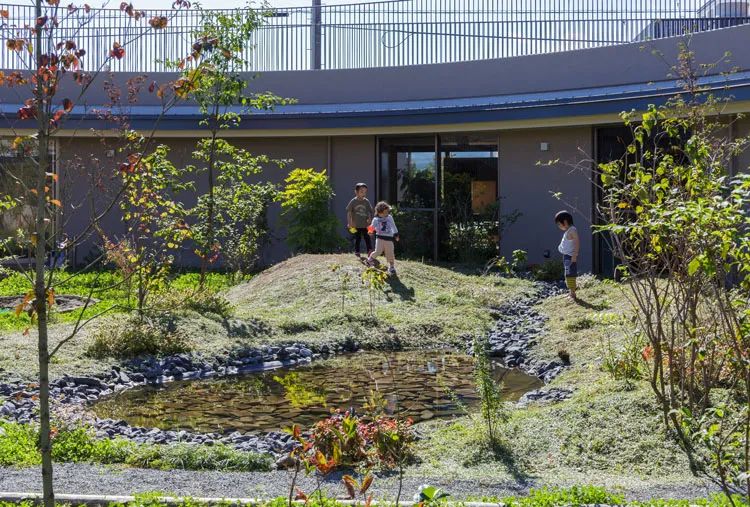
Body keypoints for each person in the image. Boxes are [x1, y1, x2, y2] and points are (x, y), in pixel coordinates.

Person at [367, 201, 399, 275]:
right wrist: (370, 231)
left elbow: (393, 226)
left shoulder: (389, 217)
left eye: (387, 212)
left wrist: (396, 234)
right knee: (378, 251)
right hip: (379, 238)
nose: (386, 214)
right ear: (378, 212)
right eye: (384, 213)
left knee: (390, 252)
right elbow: (372, 226)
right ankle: (370, 260)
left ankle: (391, 267)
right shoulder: (375, 219)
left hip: (389, 239)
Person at [555, 210, 579, 300]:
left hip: (570, 256)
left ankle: (573, 294)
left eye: (559, 224)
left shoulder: (572, 231)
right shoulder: (569, 230)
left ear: (565, 222)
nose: (559, 226)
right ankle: (570, 292)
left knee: (570, 274)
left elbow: (577, 243)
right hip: (567, 256)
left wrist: (574, 255)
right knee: (567, 273)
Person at [346, 183, 374, 258]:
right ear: (356, 192)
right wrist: (349, 223)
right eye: (362, 191)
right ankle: (357, 252)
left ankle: (370, 251)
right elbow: (349, 213)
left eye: (365, 192)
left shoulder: (366, 201)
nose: (364, 193)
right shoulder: (353, 201)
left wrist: (370, 220)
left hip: (366, 225)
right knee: (357, 238)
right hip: (356, 225)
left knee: (367, 238)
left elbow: (370, 212)